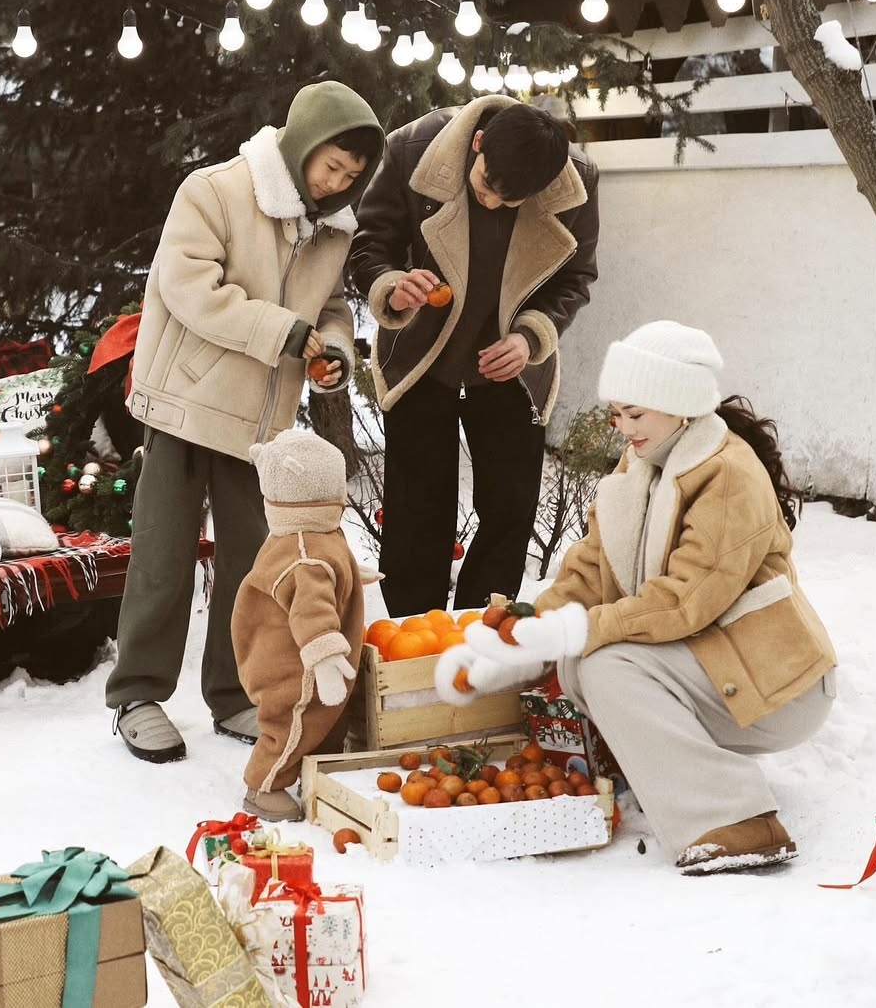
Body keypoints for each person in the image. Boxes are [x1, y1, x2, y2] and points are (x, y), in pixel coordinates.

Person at [435, 320, 837, 874]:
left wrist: (576, 631)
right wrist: (524, 638)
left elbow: (685, 600)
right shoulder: (641, 465)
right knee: (582, 663)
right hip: (715, 664)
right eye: (617, 415)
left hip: (776, 684)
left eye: (635, 414)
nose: (623, 428)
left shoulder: (728, 474)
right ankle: (670, 775)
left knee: (606, 663)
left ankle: (737, 821)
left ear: (678, 405)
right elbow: (591, 568)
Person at [106, 81, 384, 763]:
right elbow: (188, 288)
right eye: (331, 166)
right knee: (164, 556)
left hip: (261, 423)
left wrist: (332, 353)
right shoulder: (214, 190)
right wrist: (283, 333)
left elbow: (331, 309)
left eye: (350, 176)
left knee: (252, 562)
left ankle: (233, 692)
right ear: (302, 144)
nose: (336, 184)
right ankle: (137, 694)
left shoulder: (334, 227)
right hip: (185, 403)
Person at [348, 95, 600, 618]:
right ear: (478, 143)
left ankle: (484, 633)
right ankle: (413, 637)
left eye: (510, 202)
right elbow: (369, 245)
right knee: (416, 516)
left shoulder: (576, 182)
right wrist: (393, 285)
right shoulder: (412, 148)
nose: (491, 203)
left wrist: (530, 338)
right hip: (420, 359)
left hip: (513, 369)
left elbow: (576, 279)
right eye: (485, 185)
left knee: (510, 510)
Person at [231, 429, 365, 821]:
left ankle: (316, 771)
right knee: (293, 724)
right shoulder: (305, 554)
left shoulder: (310, 537)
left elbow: (329, 571)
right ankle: (264, 785)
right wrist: (324, 656)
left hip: (295, 652)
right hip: (294, 665)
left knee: (326, 720)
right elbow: (310, 611)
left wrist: (353, 578)